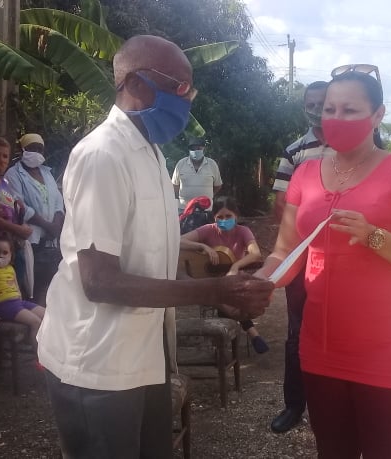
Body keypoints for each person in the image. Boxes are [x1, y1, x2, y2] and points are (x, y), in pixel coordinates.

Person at [35, 35, 274, 459]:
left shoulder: (153, 155)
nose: (186, 100)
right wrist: (213, 291)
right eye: (179, 87)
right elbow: (99, 281)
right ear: (135, 83)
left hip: (145, 355)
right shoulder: (103, 155)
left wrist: (219, 285)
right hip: (99, 362)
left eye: (189, 90)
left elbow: (154, 255)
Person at [255, 67, 391, 458]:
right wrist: (258, 281)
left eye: (350, 110)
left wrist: (374, 236)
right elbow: (284, 253)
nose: (336, 118)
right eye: (330, 109)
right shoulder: (305, 174)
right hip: (321, 348)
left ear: (378, 115)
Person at [270, 80, 329, 433]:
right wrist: (305, 233)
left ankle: (331, 405)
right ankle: (294, 404)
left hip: (345, 256)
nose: (317, 109)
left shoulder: (356, 147)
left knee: (338, 328)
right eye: (311, 103)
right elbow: (281, 204)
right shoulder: (294, 152)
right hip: (301, 253)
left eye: (324, 103)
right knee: (297, 330)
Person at [180, 196, 269, 353]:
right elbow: (179, 241)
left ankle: (227, 342)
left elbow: (255, 254)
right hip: (210, 282)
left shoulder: (243, 231)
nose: (224, 220)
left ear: (236, 216)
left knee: (225, 297)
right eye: (220, 217)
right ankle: (252, 334)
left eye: (228, 216)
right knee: (222, 295)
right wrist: (202, 247)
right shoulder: (208, 230)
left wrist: (235, 266)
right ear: (214, 217)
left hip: (234, 282)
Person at [5, 133, 65, 304]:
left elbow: (58, 201)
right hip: (30, 239)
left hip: (51, 241)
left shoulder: (47, 173)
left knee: (49, 286)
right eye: (32, 148)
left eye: (40, 149)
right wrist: (47, 225)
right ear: (22, 149)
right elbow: (18, 204)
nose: (37, 152)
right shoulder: (13, 174)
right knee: (31, 285)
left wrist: (56, 224)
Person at [0, 137, 34, 297]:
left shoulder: (5, 183)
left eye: (5, 156)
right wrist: (18, 229)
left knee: (13, 290)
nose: (1, 159)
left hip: (10, 245)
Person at [0, 235, 45, 351]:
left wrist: (20, 303)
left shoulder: (10, 268)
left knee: (47, 315)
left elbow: (16, 287)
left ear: (11, 254)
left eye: (5, 253)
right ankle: (38, 354)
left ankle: (42, 344)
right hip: (2, 305)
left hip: (17, 303)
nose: (1, 255)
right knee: (36, 322)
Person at [172, 138, 222, 212]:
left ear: (204, 148)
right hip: (184, 209)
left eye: (198, 148)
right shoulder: (181, 164)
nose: (195, 151)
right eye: (193, 148)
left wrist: (207, 197)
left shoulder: (212, 164)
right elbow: (175, 185)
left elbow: (217, 185)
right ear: (189, 150)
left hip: (206, 210)